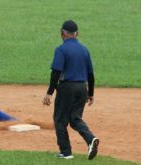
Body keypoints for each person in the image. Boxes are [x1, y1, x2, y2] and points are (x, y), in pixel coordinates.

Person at [43, 20, 99, 160]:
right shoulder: (84, 49)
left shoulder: (61, 50)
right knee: (75, 118)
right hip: (82, 88)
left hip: (67, 88)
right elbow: (91, 74)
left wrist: (49, 92)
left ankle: (66, 152)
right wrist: (91, 93)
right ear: (77, 34)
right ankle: (91, 139)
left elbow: (56, 72)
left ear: (62, 33)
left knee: (60, 119)